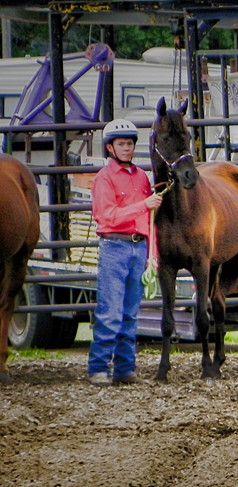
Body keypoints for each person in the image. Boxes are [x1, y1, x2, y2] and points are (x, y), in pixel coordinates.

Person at [87, 119, 163, 386]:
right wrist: (143, 204)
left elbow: (149, 219)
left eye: (130, 144)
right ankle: (98, 367)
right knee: (110, 310)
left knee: (130, 312)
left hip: (138, 245)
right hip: (114, 246)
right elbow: (106, 216)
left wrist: (151, 253)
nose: (127, 149)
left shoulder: (142, 176)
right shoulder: (104, 179)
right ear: (110, 147)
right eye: (122, 144)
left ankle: (124, 369)